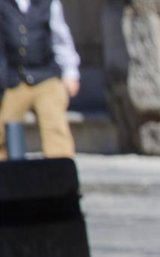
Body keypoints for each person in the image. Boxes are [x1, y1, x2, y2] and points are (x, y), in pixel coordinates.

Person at [0, 0, 80, 159]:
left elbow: (61, 38)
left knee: (55, 126)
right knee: (3, 129)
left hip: (46, 75)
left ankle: (59, 168)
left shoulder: (48, 3)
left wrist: (70, 72)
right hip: (14, 78)